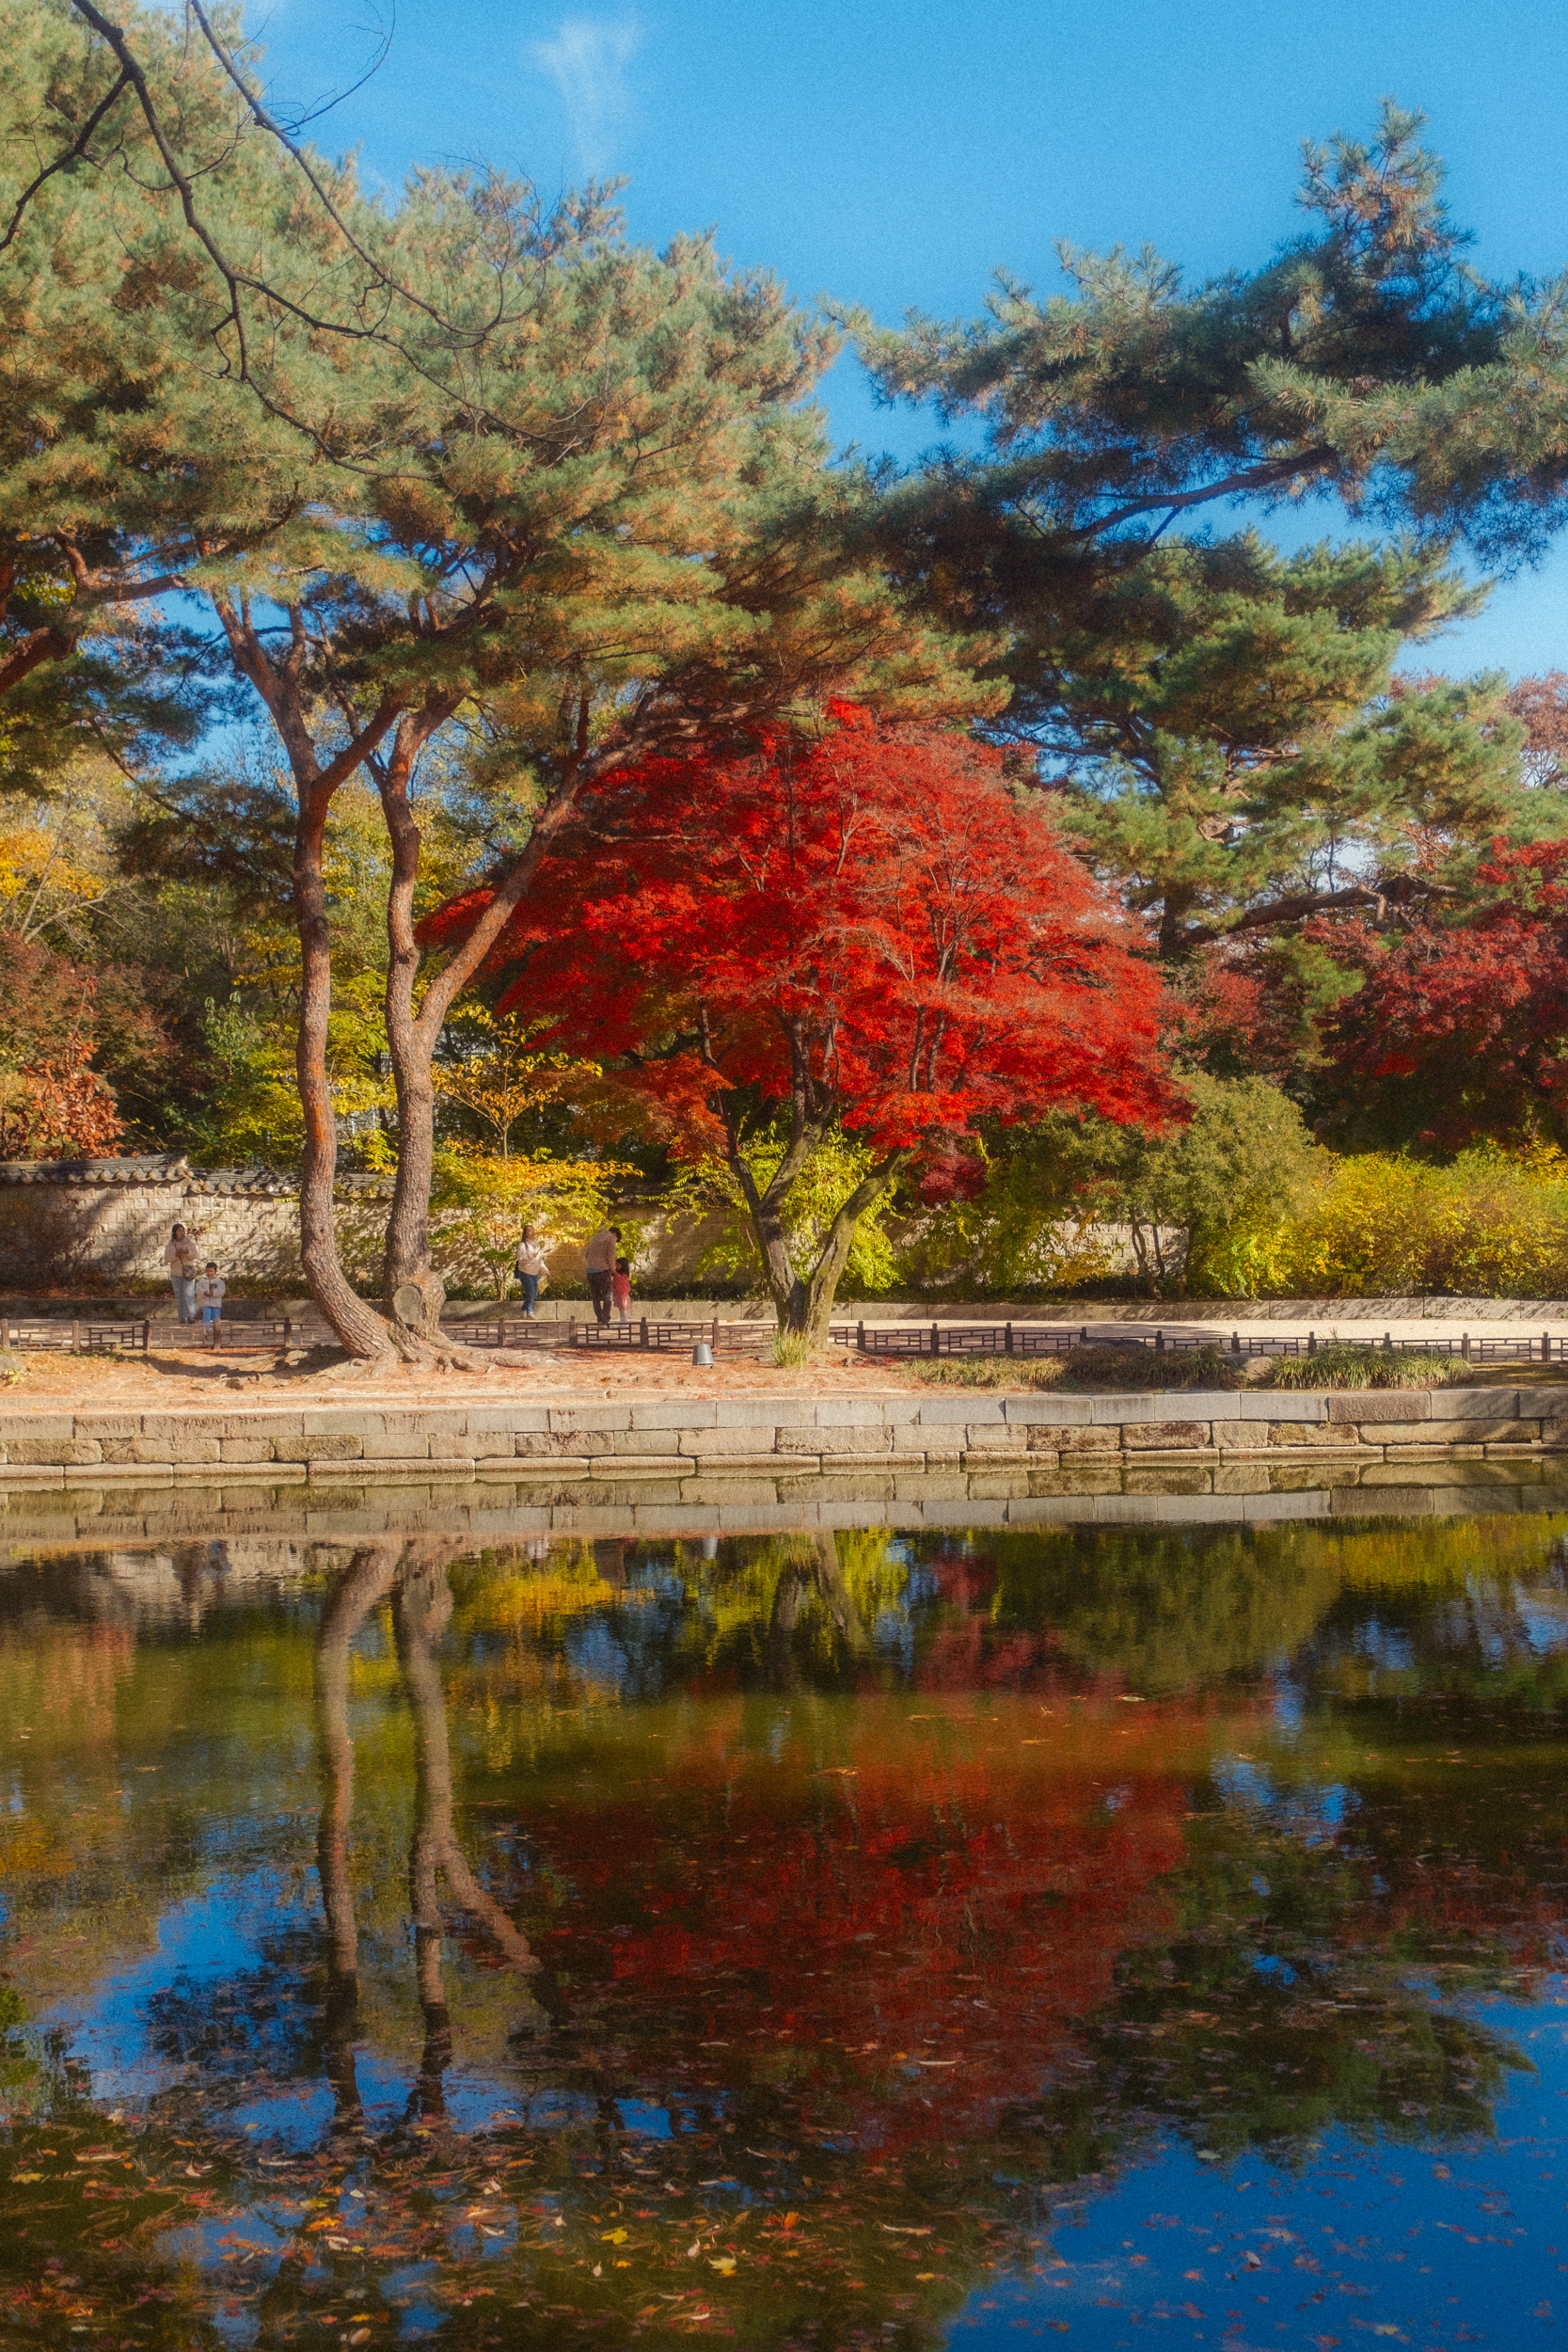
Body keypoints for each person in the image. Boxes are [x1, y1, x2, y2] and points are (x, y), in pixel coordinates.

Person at [583, 1222, 621, 1326]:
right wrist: (613, 1270)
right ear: (615, 1235)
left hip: (590, 1270)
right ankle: (605, 1318)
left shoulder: (595, 1237)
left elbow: (587, 1255)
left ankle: (599, 1318)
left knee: (595, 1296)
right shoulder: (611, 1238)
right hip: (602, 1270)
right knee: (608, 1295)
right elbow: (611, 1256)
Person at [165, 1222, 199, 1324]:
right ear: (174, 1232)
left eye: (183, 1230)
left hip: (188, 1272)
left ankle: (190, 1316)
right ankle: (182, 1317)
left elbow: (195, 1255)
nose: (181, 1232)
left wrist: (187, 1252)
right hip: (176, 1273)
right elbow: (167, 1259)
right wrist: (176, 1254)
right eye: (179, 1231)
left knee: (189, 1294)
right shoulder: (170, 1245)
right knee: (179, 1295)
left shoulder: (189, 1243)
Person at [514, 1224, 548, 1318]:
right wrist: (530, 1257)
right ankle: (529, 1312)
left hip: (534, 1273)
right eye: (529, 1230)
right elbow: (520, 1258)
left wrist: (545, 1270)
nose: (532, 1232)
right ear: (525, 1234)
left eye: (533, 1230)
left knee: (535, 1292)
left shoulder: (536, 1245)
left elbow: (540, 1260)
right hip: (525, 1272)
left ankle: (523, 1309)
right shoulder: (522, 1245)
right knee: (531, 1291)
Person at [196, 1262, 226, 1347]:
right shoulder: (201, 1281)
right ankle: (206, 1331)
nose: (209, 1273)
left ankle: (217, 1333)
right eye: (208, 1271)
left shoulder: (219, 1281)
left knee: (216, 1318)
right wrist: (204, 1293)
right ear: (205, 1271)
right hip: (205, 1303)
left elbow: (221, 1291)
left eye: (211, 1271)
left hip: (216, 1304)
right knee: (206, 1316)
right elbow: (197, 1289)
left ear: (215, 1272)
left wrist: (213, 1293)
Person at [612, 1253, 633, 1324]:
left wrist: (614, 1273)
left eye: (618, 1264)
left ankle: (625, 1320)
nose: (616, 1266)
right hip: (618, 1293)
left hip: (623, 1293)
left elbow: (620, 1279)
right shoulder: (617, 1273)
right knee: (620, 1308)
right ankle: (622, 1320)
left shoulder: (624, 1274)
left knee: (624, 1308)